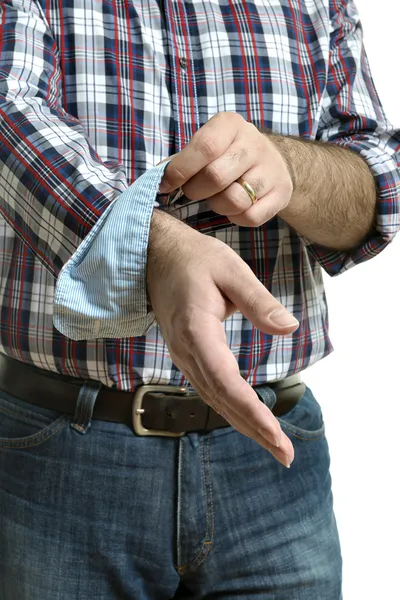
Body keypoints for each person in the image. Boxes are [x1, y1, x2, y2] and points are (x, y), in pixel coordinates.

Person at [0, 0, 398, 597]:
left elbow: (376, 182)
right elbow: (9, 115)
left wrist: (286, 165)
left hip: (278, 462)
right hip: (63, 455)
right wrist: (151, 244)